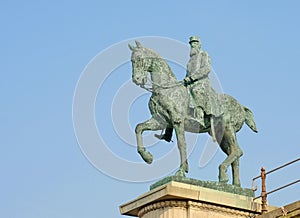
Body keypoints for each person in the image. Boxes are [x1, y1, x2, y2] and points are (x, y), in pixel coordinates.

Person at [155, 36, 221, 142]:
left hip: (201, 82)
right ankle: (168, 133)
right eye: (191, 43)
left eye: (194, 43)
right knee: (175, 100)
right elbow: (188, 73)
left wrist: (192, 78)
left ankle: (200, 117)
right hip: (190, 83)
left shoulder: (204, 55)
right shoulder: (191, 60)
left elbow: (206, 69)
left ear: (199, 44)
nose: (192, 45)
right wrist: (184, 81)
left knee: (196, 92)